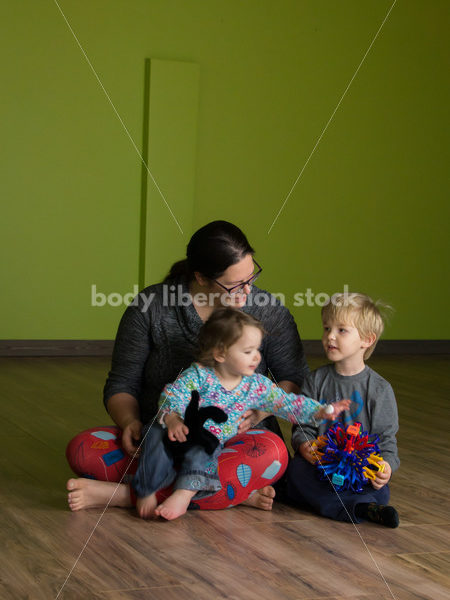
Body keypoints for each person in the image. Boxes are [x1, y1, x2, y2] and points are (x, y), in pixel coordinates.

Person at [67, 220, 309, 511]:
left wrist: (261, 410)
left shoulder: (268, 311)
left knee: (273, 454)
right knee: (82, 449)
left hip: (237, 439)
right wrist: (130, 422)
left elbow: (294, 379)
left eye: (251, 277)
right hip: (164, 436)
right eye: (235, 285)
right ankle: (229, 494)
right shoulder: (151, 307)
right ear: (202, 277)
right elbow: (122, 383)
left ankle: (125, 495)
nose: (247, 292)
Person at [133, 308, 350, 520]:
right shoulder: (198, 374)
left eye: (257, 350)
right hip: (176, 430)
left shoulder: (255, 385)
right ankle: (147, 489)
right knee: (154, 436)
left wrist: (320, 411)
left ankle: (184, 494)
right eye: (248, 351)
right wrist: (172, 418)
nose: (256, 357)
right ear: (220, 353)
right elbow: (173, 394)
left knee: (205, 452)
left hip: (205, 440)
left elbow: (287, 403)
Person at [285, 292, 400, 528]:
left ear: (367, 339)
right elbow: (302, 424)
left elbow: (387, 439)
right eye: (327, 328)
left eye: (341, 330)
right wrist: (304, 444)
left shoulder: (379, 389)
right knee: (296, 470)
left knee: (380, 489)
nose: (330, 336)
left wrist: (386, 467)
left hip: (357, 472)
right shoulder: (316, 380)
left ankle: (345, 504)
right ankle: (360, 508)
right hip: (321, 467)